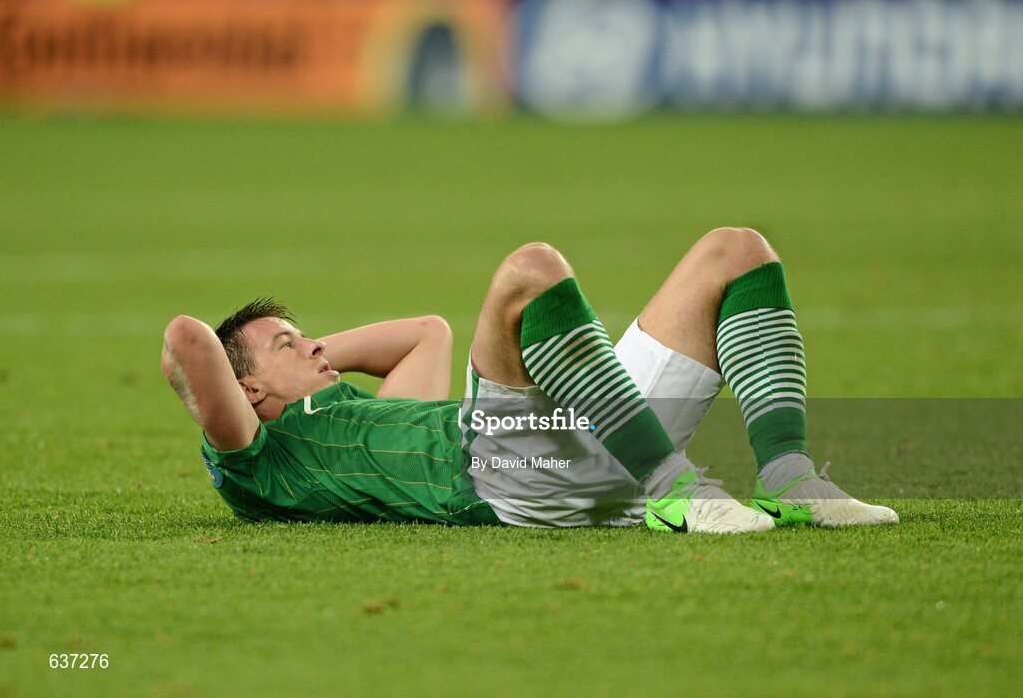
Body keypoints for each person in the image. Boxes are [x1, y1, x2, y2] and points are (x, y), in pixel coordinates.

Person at [161, 228, 898, 533]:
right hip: (498, 472)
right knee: (529, 271)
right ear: (246, 391)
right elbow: (186, 341)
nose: (313, 343)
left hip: (589, 445)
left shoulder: (356, 413)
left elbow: (429, 332)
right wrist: (241, 379)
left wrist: (314, 352)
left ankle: (788, 478)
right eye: (287, 342)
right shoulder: (267, 457)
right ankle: (676, 491)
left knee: (735, 251)